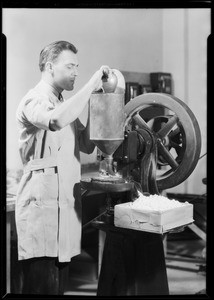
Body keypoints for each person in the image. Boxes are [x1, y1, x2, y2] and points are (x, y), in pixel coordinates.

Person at [15, 40, 111, 294]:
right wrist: (90, 86)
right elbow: (55, 121)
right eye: (70, 66)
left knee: (59, 288)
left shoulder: (63, 103)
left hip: (62, 213)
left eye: (77, 67)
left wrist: (97, 102)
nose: (76, 72)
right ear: (49, 66)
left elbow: (87, 144)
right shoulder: (33, 100)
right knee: (40, 287)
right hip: (40, 212)